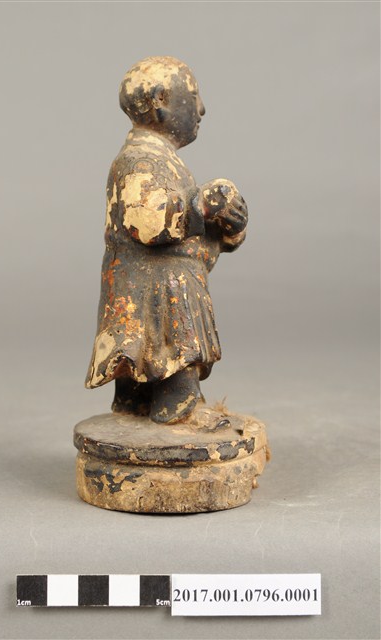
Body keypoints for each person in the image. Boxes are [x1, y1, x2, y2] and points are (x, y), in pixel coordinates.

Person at [85, 56, 248, 424]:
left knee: (145, 371)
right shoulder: (137, 160)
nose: (202, 108)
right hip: (157, 293)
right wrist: (202, 205)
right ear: (160, 100)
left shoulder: (161, 160)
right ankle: (179, 416)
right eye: (193, 95)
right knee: (175, 367)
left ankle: (139, 408)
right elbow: (147, 223)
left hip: (158, 288)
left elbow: (185, 236)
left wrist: (226, 231)